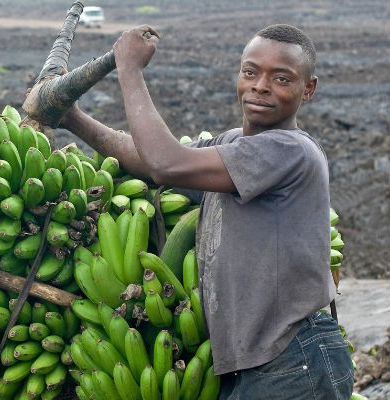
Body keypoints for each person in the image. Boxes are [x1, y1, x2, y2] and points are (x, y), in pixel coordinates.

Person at [60, 24, 354, 399]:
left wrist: (130, 70)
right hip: (261, 364)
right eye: (250, 72)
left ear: (307, 89)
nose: (261, 86)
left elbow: (166, 163)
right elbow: (147, 161)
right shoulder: (233, 144)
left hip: (294, 360)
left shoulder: (289, 150)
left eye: (281, 79)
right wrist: (73, 119)